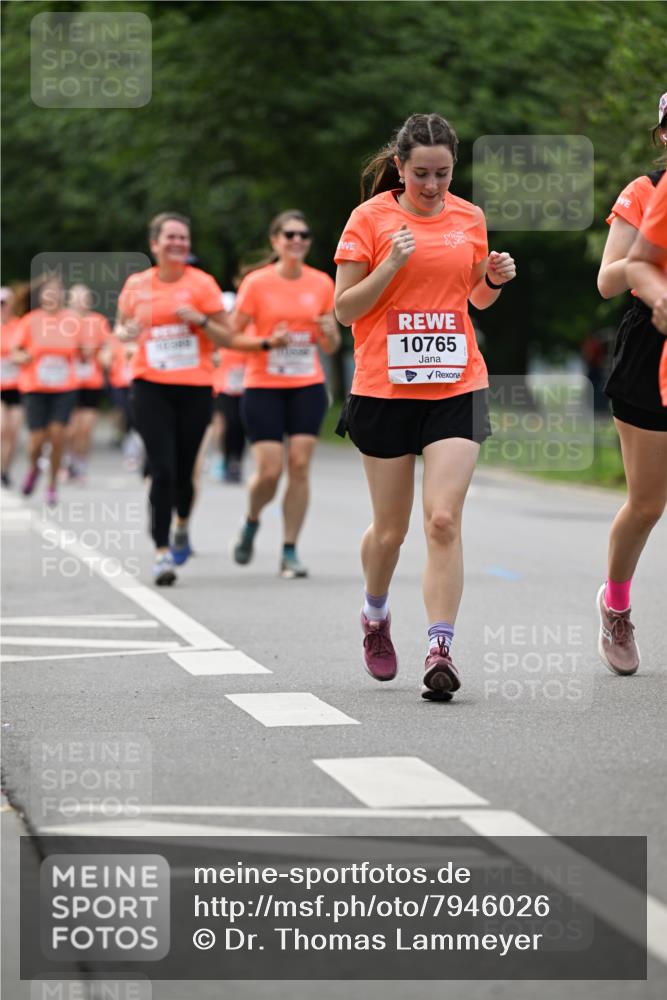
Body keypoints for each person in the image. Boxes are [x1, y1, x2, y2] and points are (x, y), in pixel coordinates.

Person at [334, 112, 515, 700]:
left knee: (442, 519)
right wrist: (390, 264)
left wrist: (493, 278)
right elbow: (345, 310)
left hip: (455, 384)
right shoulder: (370, 219)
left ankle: (440, 646)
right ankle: (375, 614)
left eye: (442, 174)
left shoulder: (470, 218)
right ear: (399, 167)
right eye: (420, 175)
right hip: (385, 387)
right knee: (390, 532)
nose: (433, 186)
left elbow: (475, 301)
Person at [115, 212, 287, 585]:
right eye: (170, 238)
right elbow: (122, 326)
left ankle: (181, 523)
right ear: (155, 244)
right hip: (149, 385)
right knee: (161, 467)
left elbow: (228, 338)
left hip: (194, 387)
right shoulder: (136, 285)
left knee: (184, 470)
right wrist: (125, 330)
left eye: (183, 238)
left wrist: (200, 321)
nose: (178, 243)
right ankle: (162, 553)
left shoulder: (203, 285)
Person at [594, 94, 667, 676]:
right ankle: (616, 605)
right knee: (647, 502)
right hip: (651, 345)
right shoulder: (646, 191)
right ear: (661, 136)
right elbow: (608, 280)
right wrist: (653, 256)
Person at [230, 210, 341, 578]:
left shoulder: (323, 283)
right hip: (263, 385)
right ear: (275, 240)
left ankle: (290, 549)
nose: (297, 240)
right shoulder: (256, 283)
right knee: (270, 471)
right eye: (289, 234)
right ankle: (251, 519)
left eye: (304, 235)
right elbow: (232, 336)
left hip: (306, 384)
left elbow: (331, 343)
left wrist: (329, 330)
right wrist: (266, 342)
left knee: (299, 465)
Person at [13, 275, 83, 505]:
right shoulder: (30, 321)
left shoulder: (73, 321)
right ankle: (34, 468)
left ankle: (52, 484)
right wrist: (25, 356)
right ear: (41, 296)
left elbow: (85, 350)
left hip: (64, 387)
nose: (53, 295)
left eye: (57, 291)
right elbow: (15, 352)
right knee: (36, 440)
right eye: (48, 292)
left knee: (57, 435)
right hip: (35, 387)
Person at [64, 283, 112, 482]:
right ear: (70, 300)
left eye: (84, 298)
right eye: (77, 298)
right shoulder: (62, 321)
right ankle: (67, 461)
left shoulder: (98, 321)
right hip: (68, 382)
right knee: (71, 428)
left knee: (86, 428)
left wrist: (102, 357)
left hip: (91, 382)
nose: (81, 302)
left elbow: (108, 346)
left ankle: (81, 465)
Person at [0, 286, 24, 487]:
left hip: (17, 384)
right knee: (1, 427)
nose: (2, 308)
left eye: (5, 304)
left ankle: (5, 470)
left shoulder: (20, 325)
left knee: (13, 431)